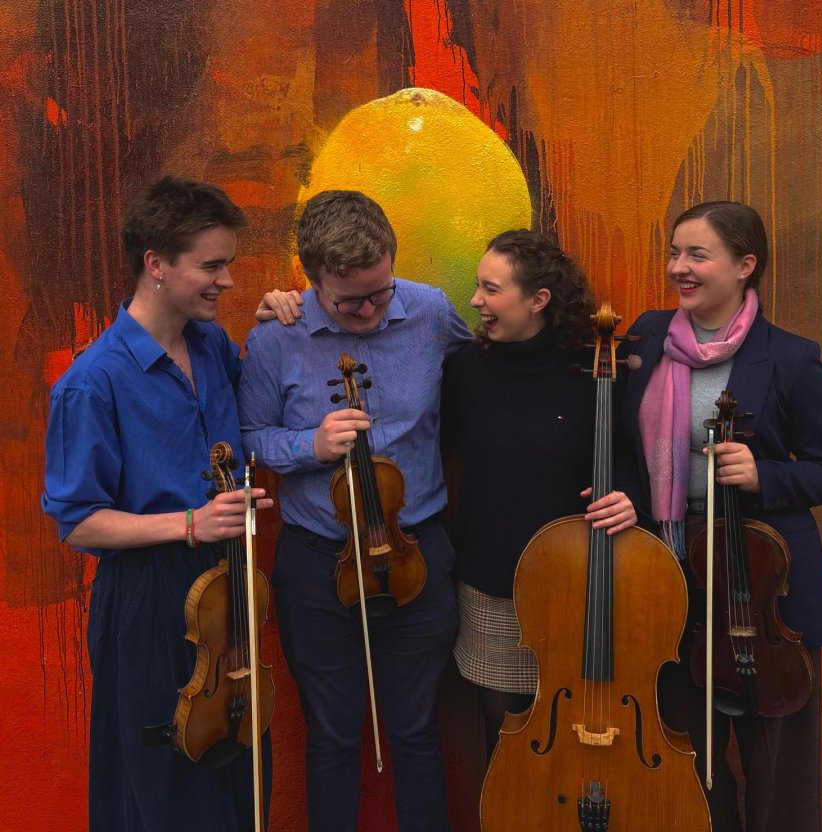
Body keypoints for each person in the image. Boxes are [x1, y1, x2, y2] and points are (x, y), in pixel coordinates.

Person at [42, 176, 280, 831]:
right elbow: (78, 521)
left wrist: (280, 319)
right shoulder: (92, 383)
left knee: (237, 758)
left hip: (226, 583)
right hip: (149, 594)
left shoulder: (213, 346)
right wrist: (190, 523)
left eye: (227, 264)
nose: (227, 281)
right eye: (211, 266)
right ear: (156, 264)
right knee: (160, 778)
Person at [614, 201, 822, 831]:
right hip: (670, 568)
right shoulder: (646, 338)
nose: (679, 268)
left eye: (697, 255)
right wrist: (629, 495)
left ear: (745, 265)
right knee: (684, 756)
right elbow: (624, 451)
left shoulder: (792, 358)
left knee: (778, 765)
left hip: (763, 579)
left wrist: (764, 474)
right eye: (674, 253)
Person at [238, 190, 472, 832]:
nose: (369, 310)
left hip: (417, 550)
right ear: (312, 281)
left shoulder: (429, 312)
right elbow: (250, 437)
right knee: (333, 733)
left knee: (417, 726)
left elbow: (492, 363)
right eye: (349, 302)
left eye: (380, 293)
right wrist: (309, 446)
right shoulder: (275, 338)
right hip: (319, 562)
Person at [441, 229, 637, 761]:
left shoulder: (599, 368)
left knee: (579, 740)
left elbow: (630, 459)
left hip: (580, 583)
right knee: (504, 741)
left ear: (538, 300)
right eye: (478, 286)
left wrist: (629, 495)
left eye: (491, 289)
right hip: (492, 583)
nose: (475, 300)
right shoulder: (465, 370)